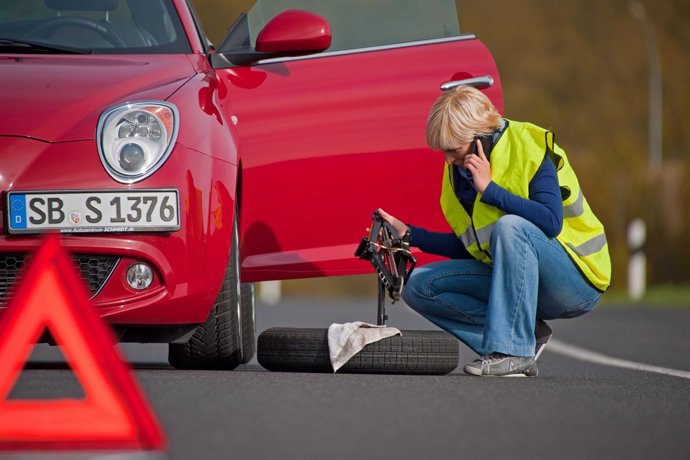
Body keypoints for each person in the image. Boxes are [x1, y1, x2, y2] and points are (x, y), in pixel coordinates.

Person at [378, 85, 611, 377]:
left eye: (453, 150)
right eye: (444, 152)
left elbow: (551, 222)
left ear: (479, 138)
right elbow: (474, 246)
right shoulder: (459, 174)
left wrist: (490, 190)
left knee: (510, 226)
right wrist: (410, 236)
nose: (448, 160)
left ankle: (514, 351)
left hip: (577, 280)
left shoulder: (529, 145)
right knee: (419, 287)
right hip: (519, 280)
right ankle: (525, 337)